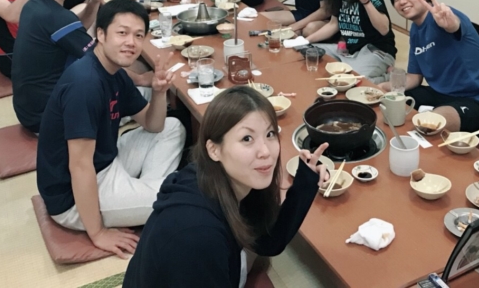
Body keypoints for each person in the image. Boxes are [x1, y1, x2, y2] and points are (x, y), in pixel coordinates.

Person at [123, 86, 330, 287]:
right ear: (214, 150)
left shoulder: (231, 179)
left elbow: (268, 242)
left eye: (270, 134)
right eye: (247, 138)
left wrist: (305, 182)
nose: (265, 151)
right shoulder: (198, 234)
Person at [37, 0, 186, 255]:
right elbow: (79, 166)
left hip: (106, 163)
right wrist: (98, 233)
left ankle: (145, 194)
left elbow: (153, 125)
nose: (131, 42)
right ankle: (148, 197)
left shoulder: (115, 72)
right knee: (181, 199)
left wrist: (159, 92)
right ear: (101, 34)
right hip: (72, 196)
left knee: (173, 127)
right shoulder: (85, 84)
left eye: (138, 35)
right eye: (122, 33)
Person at [385, 0, 479, 137]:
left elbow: (454, 26)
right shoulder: (416, 31)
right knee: (393, 102)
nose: (402, 1)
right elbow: (414, 77)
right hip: (442, 95)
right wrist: (383, 88)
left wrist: (450, 23)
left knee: (432, 122)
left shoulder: (444, 16)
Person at [11, 0, 106, 133]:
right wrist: (142, 78)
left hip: (29, 110)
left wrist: (95, 1)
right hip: (50, 117)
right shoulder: (53, 16)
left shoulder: (34, 5)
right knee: (139, 89)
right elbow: (102, 61)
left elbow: (77, 29)